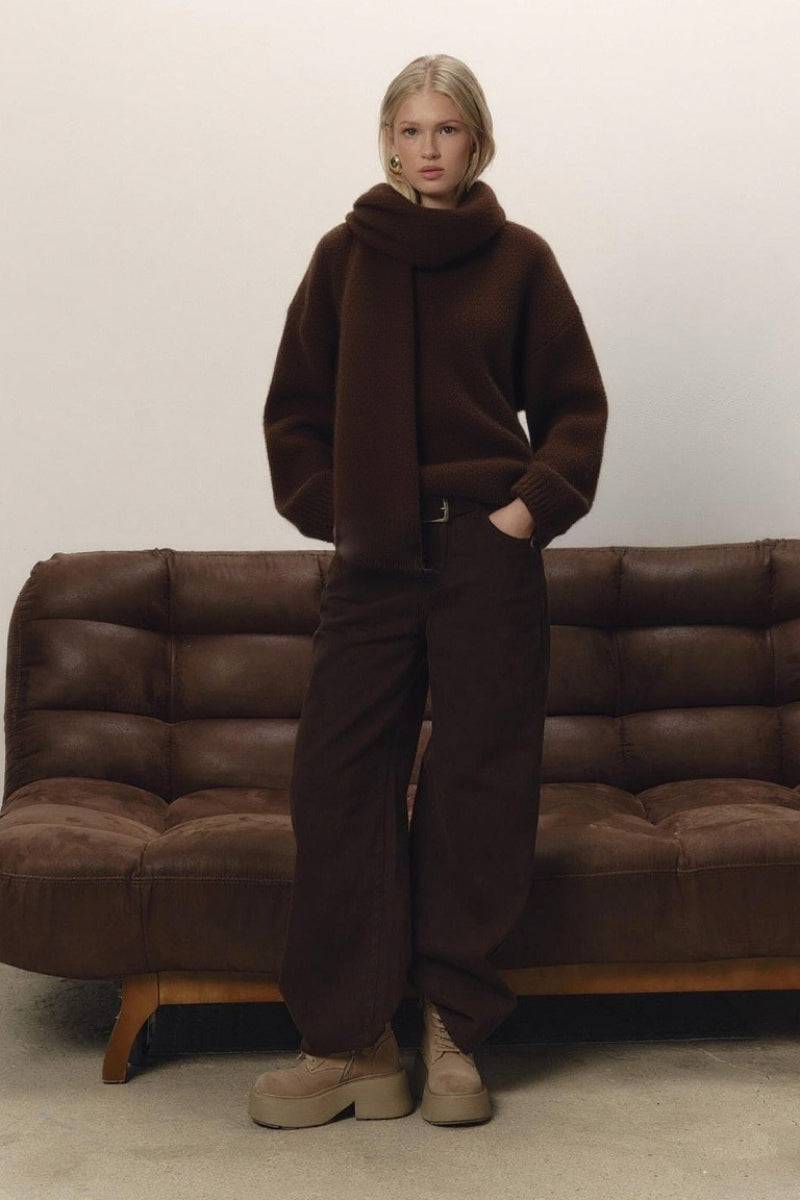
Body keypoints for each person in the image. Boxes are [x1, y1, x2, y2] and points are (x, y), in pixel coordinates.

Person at [251, 53, 608, 1129]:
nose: (427, 148)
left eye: (446, 128)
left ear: (477, 140)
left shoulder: (520, 260)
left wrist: (524, 514)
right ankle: (350, 1042)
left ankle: (454, 1029)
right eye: (409, 129)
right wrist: (345, 514)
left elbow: (575, 407)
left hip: (486, 557)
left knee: (478, 783)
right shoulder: (342, 258)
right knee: (337, 778)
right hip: (374, 561)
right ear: (387, 143)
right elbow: (294, 413)